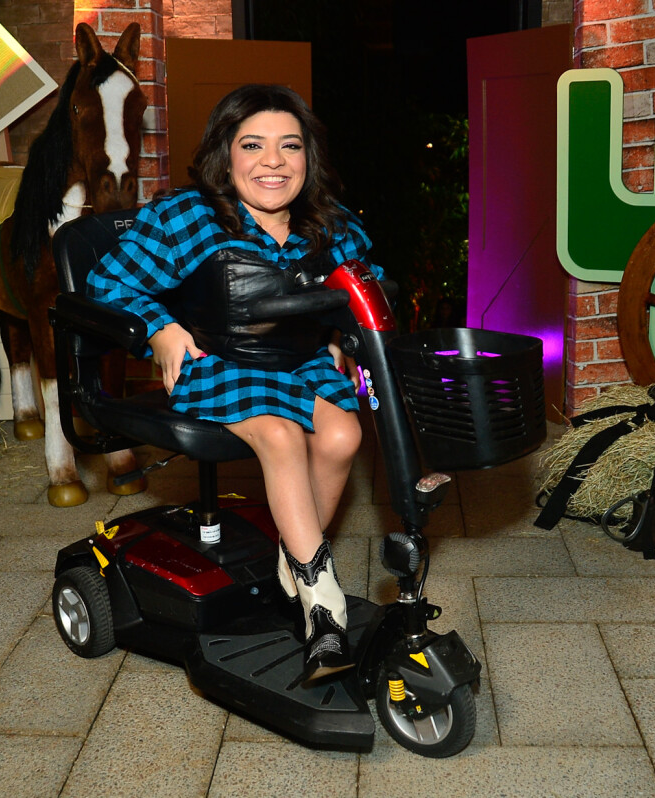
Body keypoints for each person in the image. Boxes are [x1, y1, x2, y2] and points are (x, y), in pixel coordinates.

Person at [86, 84, 383, 682]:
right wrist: (161, 327)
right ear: (226, 154)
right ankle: (322, 603)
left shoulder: (329, 224)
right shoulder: (185, 216)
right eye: (254, 145)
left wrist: (335, 329)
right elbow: (106, 282)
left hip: (297, 362)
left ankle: (292, 556)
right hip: (218, 361)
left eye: (289, 146)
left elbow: (363, 283)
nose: (273, 161)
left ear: (308, 159)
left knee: (344, 437)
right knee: (279, 436)